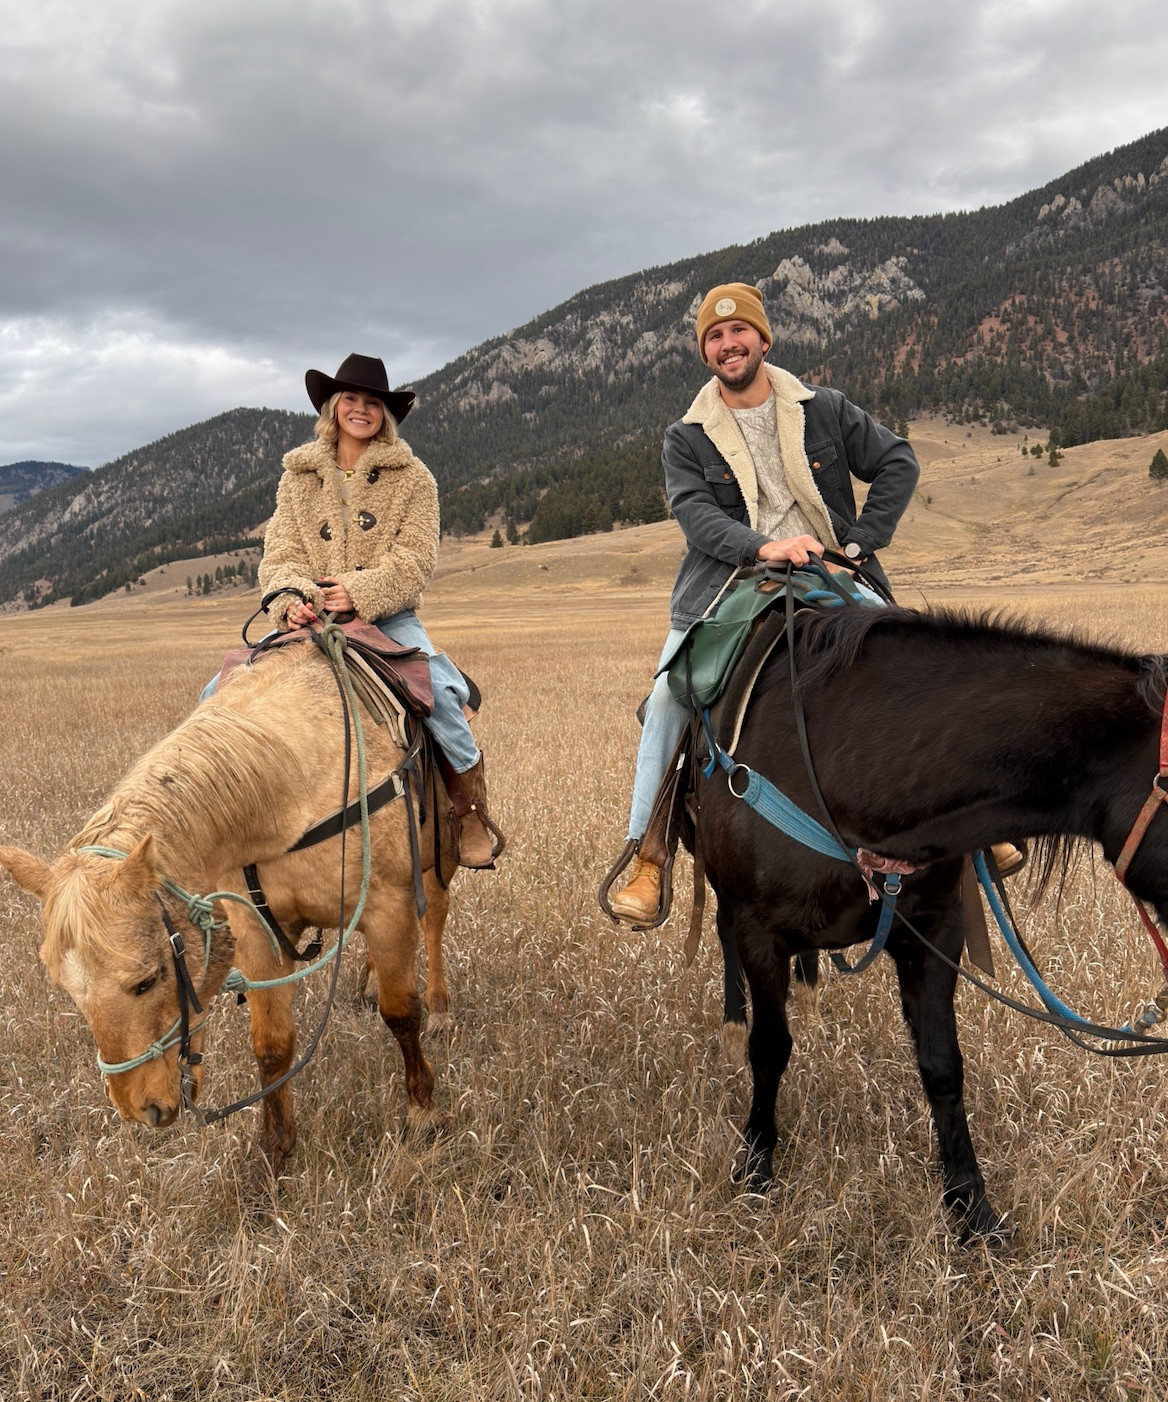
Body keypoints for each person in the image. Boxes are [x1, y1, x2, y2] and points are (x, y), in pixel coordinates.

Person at [609, 283, 1021, 924]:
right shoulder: (686, 437)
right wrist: (765, 547)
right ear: (705, 352)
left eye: (738, 332)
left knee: (923, 664)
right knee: (670, 695)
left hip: (830, 574)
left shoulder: (822, 409)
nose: (728, 344)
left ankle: (971, 821)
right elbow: (695, 517)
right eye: (714, 337)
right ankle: (649, 855)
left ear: (762, 338)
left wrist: (857, 543)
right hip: (735, 583)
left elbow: (898, 462)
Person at [257, 352, 501, 869]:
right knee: (220, 695)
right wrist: (294, 601)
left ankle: (469, 809)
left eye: (372, 402)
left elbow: (415, 559)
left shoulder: (414, 478)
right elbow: (280, 556)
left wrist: (360, 592)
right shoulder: (296, 478)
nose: (361, 409)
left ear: (384, 414)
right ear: (333, 406)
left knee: (439, 692)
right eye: (351, 398)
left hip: (387, 618)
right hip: (312, 620)